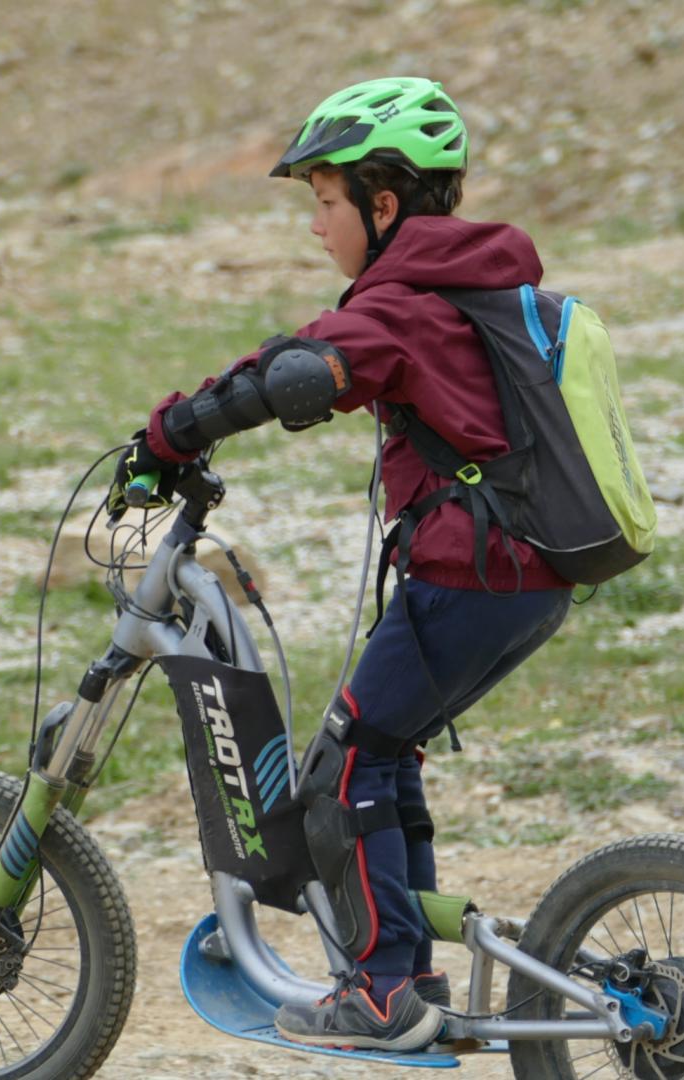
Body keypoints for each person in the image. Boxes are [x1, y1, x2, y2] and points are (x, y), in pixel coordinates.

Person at [110, 76, 574, 1052]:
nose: (317, 226)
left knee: (341, 769)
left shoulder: (406, 303)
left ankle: (375, 996)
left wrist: (173, 432)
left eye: (326, 202)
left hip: (466, 578)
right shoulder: (477, 286)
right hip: (522, 584)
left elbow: (303, 368)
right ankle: (414, 978)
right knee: (385, 756)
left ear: (385, 203)